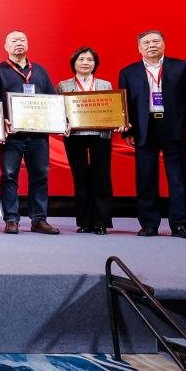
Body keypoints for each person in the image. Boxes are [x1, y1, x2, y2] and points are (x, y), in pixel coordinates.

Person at [119, 30, 186, 240]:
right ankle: (149, 224)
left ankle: (180, 225)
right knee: (145, 178)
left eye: (156, 41)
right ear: (139, 48)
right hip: (144, 127)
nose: (151, 45)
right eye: (146, 43)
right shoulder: (128, 72)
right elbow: (124, 104)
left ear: (164, 45)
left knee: (178, 178)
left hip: (174, 126)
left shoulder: (181, 67)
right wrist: (128, 130)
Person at [0, 30, 60, 235]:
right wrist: (2, 121)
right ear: (6, 46)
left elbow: (52, 100)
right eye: (14, 40)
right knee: (9, 176)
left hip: (38, 135)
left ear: (27, 44)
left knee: (40, 176)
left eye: (22, 40)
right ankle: (11, 219)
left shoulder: (40, 71)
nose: (18, 43)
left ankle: (39, 219)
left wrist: (58, 121)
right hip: (12, 136)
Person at [57, 47, 115, 235]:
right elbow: (58, 111)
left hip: (100, 136)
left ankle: (101, 222)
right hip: (74, 137)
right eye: (81, 59)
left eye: (90, 60)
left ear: (95, 64)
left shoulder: (104, 85)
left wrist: (117, 121)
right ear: (74, 63)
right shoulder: (63, 86)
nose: (85, 63)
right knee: (80, 178)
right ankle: (84, 222)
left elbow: (112, 109)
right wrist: (62, 124)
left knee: (102, 178)